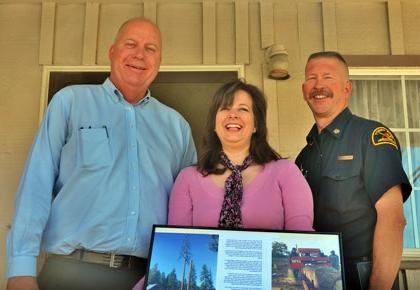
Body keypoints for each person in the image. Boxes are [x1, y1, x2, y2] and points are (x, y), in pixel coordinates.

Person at [6, 17, 196, 290]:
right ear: (112, 52)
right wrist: (21, 268)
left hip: (149, 278)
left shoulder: (177, 126)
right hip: (72, 273)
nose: (140, 55)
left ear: (159, 60)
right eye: (130, 44)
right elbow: (36, 186)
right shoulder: (70, 102)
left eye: (150, 48)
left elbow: (190, 209)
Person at [132, 79, 313, 290]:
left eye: (243, 109)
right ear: (215, 123)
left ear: (256, 124)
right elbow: (177, 246)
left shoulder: (285, 172)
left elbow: (303, 241)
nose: (233, 114)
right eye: (225, 108)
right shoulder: (188, 178)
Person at [295, 51, 412, 290]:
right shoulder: (304, 156)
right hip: (321, 278)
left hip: (363, 274)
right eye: (312, 78)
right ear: (304, 90)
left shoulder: (370, 137)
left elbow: (393, 220)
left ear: (347, 88)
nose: (319, 85)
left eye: (328, 77)